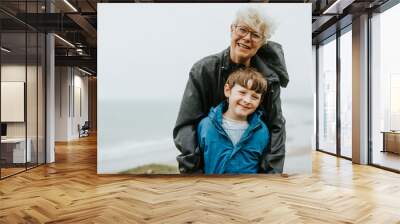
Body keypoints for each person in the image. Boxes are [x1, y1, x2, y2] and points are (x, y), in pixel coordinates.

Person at [173, 7, 289, 174]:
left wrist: (270, 177)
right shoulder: (203, 70)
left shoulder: (269, 79)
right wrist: (194, 174)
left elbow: (276, 126)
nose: (247, 38)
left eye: (255, 35)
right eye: (242, 29)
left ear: (263, 42)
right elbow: (186, 125)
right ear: (232, 29)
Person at [197, 68, 269, 174]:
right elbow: (197, 163)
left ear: (260, 101)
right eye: (242, 92)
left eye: (254, 97)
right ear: (227, 90)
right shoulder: (206, 125)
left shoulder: (262, 130)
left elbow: (264, 167)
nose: (247, 100)